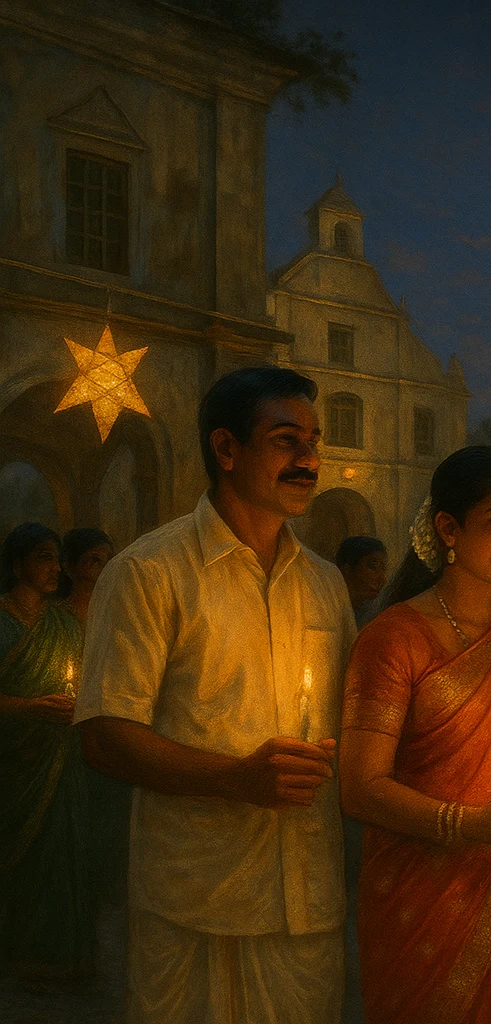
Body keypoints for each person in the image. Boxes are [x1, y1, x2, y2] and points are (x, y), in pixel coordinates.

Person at [75, 366, 353, 1023]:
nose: (310, 458)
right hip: (195, 902)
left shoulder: (326, 585)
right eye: (287, 441)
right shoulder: (148, 572)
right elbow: (104, 737)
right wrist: (236, 779)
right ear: (226, 450)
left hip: (306, 906)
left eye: (314, 442)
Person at [341, 447, 491, 1022]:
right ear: (448, 527)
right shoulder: (393, 639)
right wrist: (472, 825)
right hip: (420, 901)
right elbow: (359, 788)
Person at [0, 523, 101, 987]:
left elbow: (83, 685)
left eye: (57, 558)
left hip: (60, 763)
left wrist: (72, 705)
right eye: (43, 557)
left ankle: (60, 961)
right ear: (17, 563)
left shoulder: (63, 624)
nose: (55, 568)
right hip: (12, 764)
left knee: (61, 854)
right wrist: (29, 708)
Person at [57, 527, 132, 909]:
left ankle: (106, 892)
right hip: (62, 734)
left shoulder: (120, 612)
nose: (101, 570)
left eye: (106, 561)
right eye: (92, 561)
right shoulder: (55, 619)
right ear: (69, 566)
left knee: (111, 813)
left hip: (109, 723)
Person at [335, 536, 389, 628]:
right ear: (348, 570)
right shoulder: (332, 610)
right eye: (373, 567)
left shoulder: (375, 615)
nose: (382, 578)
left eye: (383, 569)